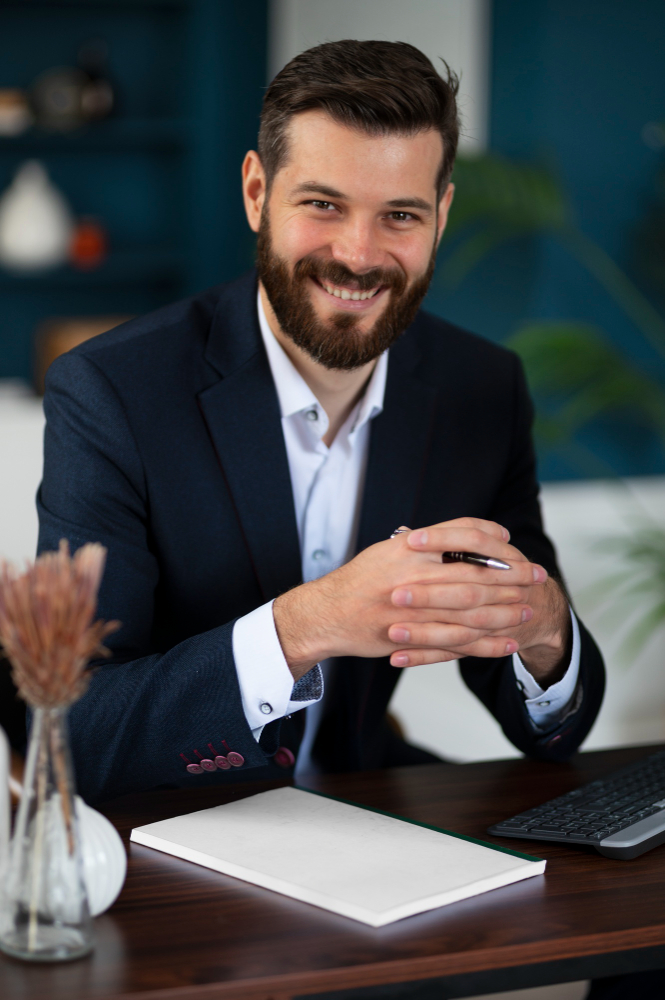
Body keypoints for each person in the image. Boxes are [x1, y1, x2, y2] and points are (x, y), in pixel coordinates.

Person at [38, 40, 604, 808]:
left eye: (398, 215)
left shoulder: (482, 388)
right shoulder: (111, 392)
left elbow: (552, 732)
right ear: (255, 192)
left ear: (439, 215)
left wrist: (545, 637)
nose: (358, 255)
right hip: (167, 838)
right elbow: (76, 731)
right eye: (322, 204)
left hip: (372, 814)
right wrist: (304, 626)